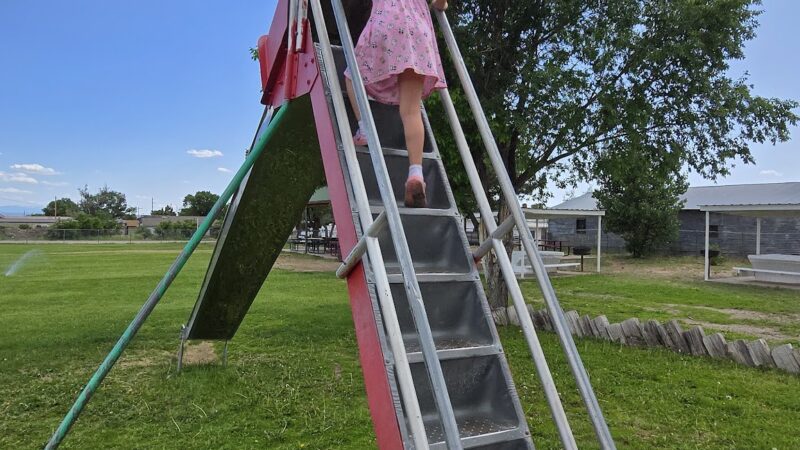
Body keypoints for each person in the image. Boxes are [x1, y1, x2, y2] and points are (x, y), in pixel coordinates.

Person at [344, 0, 449, 208]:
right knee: (411, 111)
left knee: (351, 76)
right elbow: (440, 3)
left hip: (387, 24)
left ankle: (364, 127)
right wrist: (441, 6)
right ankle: (416, 173)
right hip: (419, 31)